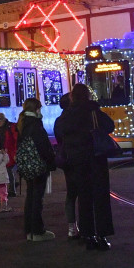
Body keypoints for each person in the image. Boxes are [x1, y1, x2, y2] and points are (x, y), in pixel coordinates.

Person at [59, 83, 114, 251]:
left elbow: (59, 132)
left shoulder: (67, 115)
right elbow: (110, 126)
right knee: (100, 198)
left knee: (84, 198)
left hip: (77, 161)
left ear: (72, 97)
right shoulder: (93, 111)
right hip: (96, 159)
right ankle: (102, 236)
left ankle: (88, 235)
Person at [16, 98, 57, 242]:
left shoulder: (22, 124)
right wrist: (52, 162)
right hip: (38, 167)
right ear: (37, 109)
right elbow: (44, 147)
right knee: (37, 199)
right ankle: (37, 231)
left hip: (27, 167)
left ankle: (29, 231)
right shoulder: (35, 125)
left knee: (30, 197)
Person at [53, 93, 79, 239]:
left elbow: (59, 139)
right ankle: (86, 226)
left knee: (71, 194)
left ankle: (71, 228)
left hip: (66, 160)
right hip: (79, 158)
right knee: (83, 193)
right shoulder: (77, 118)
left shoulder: (59, 121)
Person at [0, 112, 20, 197]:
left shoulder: (11, 127)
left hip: (11, 152)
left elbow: (16, 140)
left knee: (8, 170)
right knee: (8, 170)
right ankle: (13, 185)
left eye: (0, 119)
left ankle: (12, 190)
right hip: (4, 152)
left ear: (4, 118)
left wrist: (16, 151)